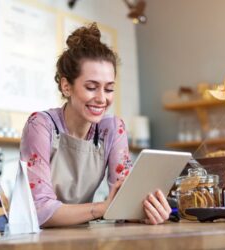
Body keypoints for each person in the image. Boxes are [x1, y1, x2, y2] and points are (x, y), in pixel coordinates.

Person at [20, 23, 171, 228]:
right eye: (91, 87)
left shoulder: (112, 129)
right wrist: (101, 208)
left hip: (81, 233)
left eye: (109, 89)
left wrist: (146, 211)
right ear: (66, 86)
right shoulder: (41, 125)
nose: (101, 99)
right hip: (35, 237)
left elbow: (124, 200)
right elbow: (39, 211)